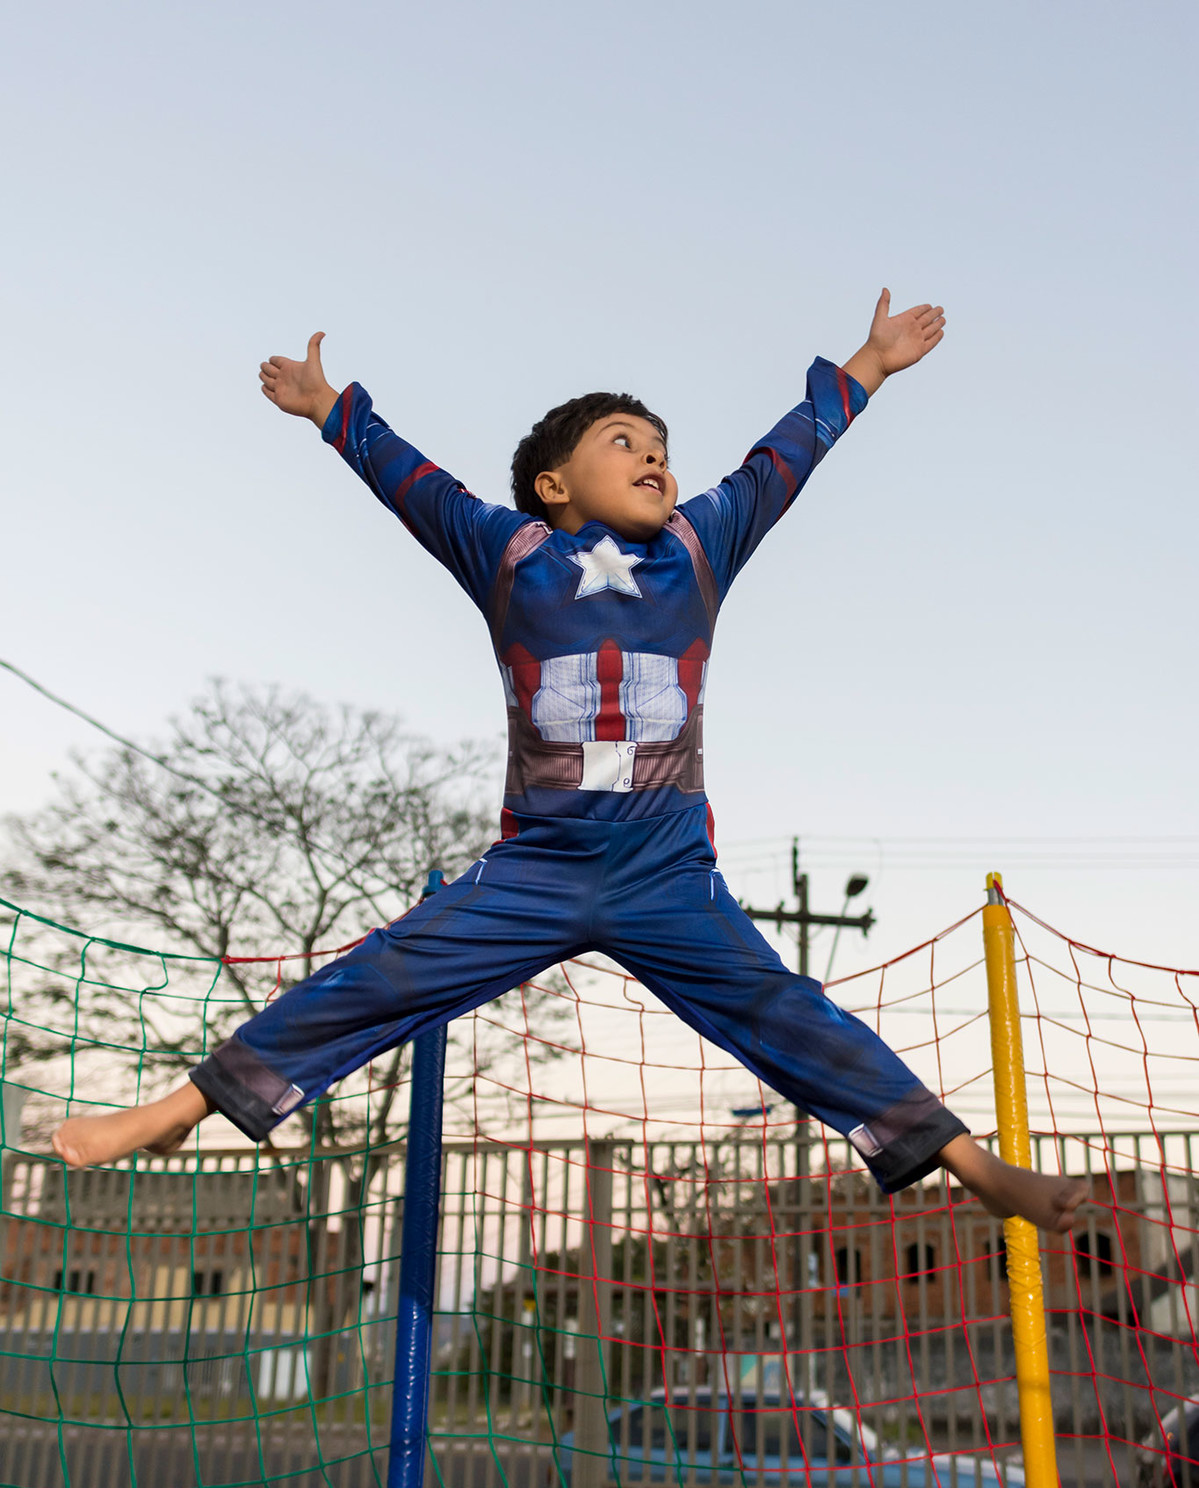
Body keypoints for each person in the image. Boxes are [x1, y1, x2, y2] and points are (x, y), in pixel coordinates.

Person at [53, 291, 1082, 1237]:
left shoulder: (699, 544)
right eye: (622, 443)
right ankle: (182, 1108)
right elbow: (417, 485)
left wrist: (869, 362)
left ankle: (971, 1165)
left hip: (661, 875)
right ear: (554, 485)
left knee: (783, 1010)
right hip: (535, 871)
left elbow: (780, 460)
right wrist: (332, 409)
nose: (655, 459)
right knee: (383, 973)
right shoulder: (509, 553)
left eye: (663, 449)